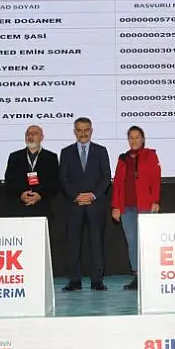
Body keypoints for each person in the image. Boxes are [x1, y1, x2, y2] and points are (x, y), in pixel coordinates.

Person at [59, 117, 111, 291]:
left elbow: (106, 177)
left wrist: (93, 195)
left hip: (95, 205)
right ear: (75, 132)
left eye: (86, 130)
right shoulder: (66, 152)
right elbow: (63, 178)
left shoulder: (101, 151)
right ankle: (74, 280)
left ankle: (97, 281)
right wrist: (77, 196)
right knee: (73, 244)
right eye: (79, 130)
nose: (83, 133)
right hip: (74, 205)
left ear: (91, 130)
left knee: (96, 243)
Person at [111, 126, 161, 291]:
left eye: (137, 137)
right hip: (127, 207)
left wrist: (155, 200)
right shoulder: (123, 158)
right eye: (131, 137)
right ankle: (137, 276)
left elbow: (155, 180)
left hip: (145, 205)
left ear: (143, 139)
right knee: (132, 242)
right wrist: (116, 206)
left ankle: (151, 275)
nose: (134, 140)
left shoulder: (150, 155)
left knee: (147, 241)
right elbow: (117, 184)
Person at [4, 125, 59, 218]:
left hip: (43, 205)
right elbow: (9, 180)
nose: (30, 137)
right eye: (28, 134)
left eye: (34, 134)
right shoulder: (15, 156)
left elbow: (54, 181)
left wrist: (39, 195)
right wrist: (21, 194)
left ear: (42, 137)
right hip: (19, 206)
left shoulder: (51, 157)